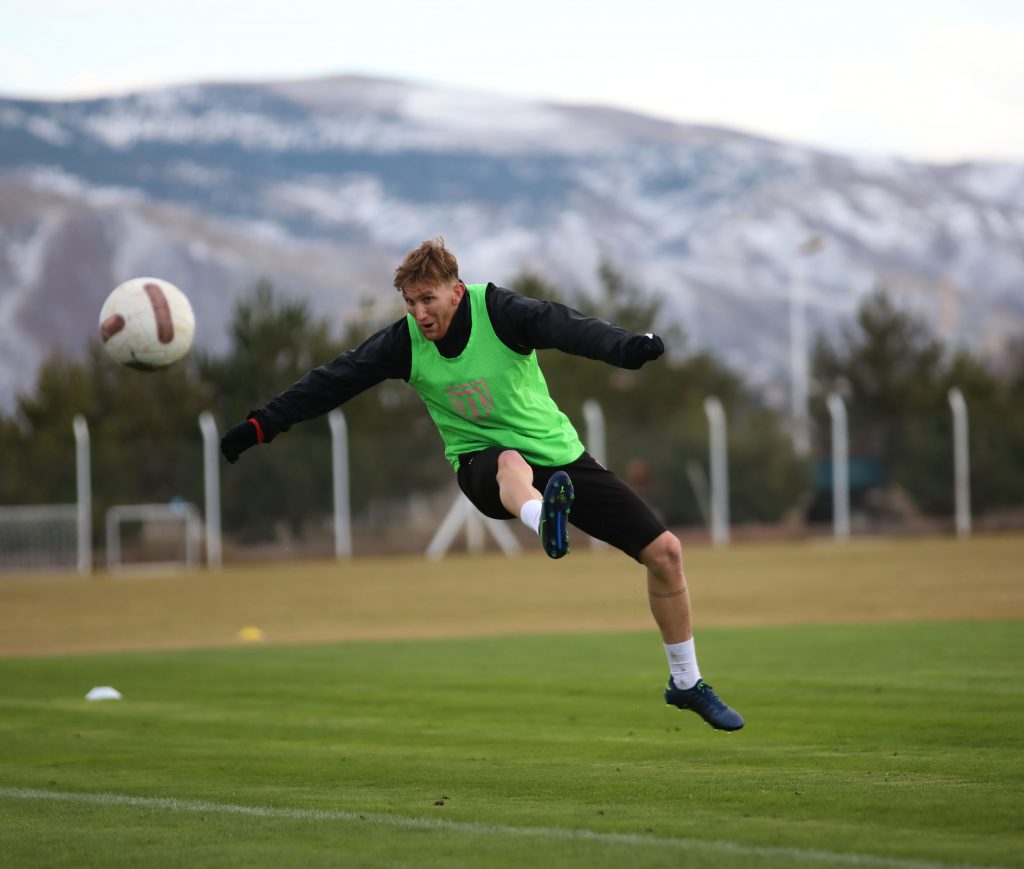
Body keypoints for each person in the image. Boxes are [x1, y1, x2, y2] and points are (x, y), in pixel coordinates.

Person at [220, 238, 744, 732]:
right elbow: (332, 381)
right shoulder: (403, 343)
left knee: (667, 552)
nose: (419, 313)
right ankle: (545, 522)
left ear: (455, 289)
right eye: (409, 302)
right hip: (481, 463)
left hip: (559, 456)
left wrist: (628, 348)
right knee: (509, 462)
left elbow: (564, 325)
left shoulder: (500, 312)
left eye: (427, 299)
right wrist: (260, 425)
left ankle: (686, 682)